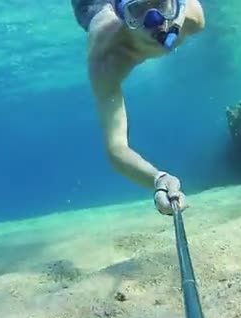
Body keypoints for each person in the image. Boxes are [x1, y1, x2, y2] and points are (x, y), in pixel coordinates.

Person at [71, 0, 205, 215]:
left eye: (160, 3)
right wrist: (157, 179)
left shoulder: (193, 19)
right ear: (122, 17)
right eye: (139, 9)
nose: (154, 21)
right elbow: (116, 148)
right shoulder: (107, 57)